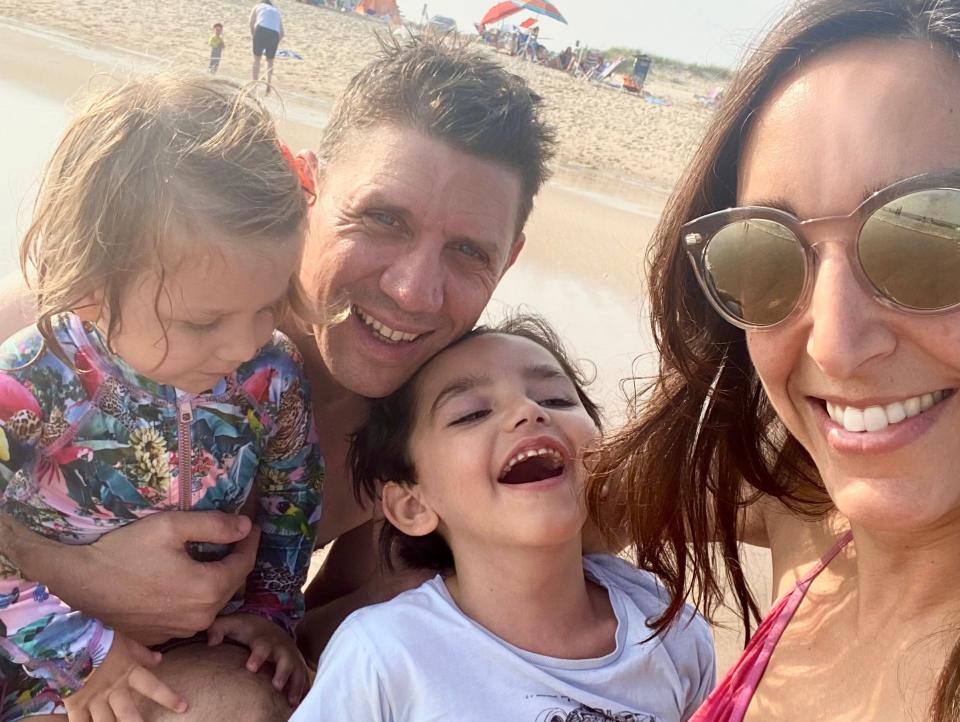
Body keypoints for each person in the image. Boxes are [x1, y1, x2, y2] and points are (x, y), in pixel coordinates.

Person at [0, 37, 554, 718]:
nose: (413, 292)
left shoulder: (432, 431)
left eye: (469, 251)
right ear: (308, 184)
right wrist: (68, 571)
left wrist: (272, 622)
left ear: (511, 259)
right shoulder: (74, 320)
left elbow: (326, 651)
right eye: (383, 219)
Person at [587, 1, 960, 720]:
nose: (833, 345)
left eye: (927, 243)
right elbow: (568, 511)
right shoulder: (806, 503)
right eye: (763, 258)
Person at [0, 75, 322, 721]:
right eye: (203, 323)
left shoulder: (272, 375)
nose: (242, 344)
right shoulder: (37, 378)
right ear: (91, 286)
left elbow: (294, 504)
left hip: (192, 655)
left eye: (266, 306)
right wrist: (78, 650)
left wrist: (269, 614)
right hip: (37, 663)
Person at [292, 315, 715, 721]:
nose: (529, 412)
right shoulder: (384, 654)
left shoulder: (669, 625)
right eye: (471, 413)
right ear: (412, 506)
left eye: (556, 399)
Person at [250, 1, 284, 94]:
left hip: (261, 29)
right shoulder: (276, 11)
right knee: (269, 60)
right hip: (274, 34)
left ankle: (254, 85)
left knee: (257, 59)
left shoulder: (257, 6)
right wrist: (275, 43)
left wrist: (254, 36)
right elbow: (282, 33)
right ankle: (268, 83)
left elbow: (251, 22)